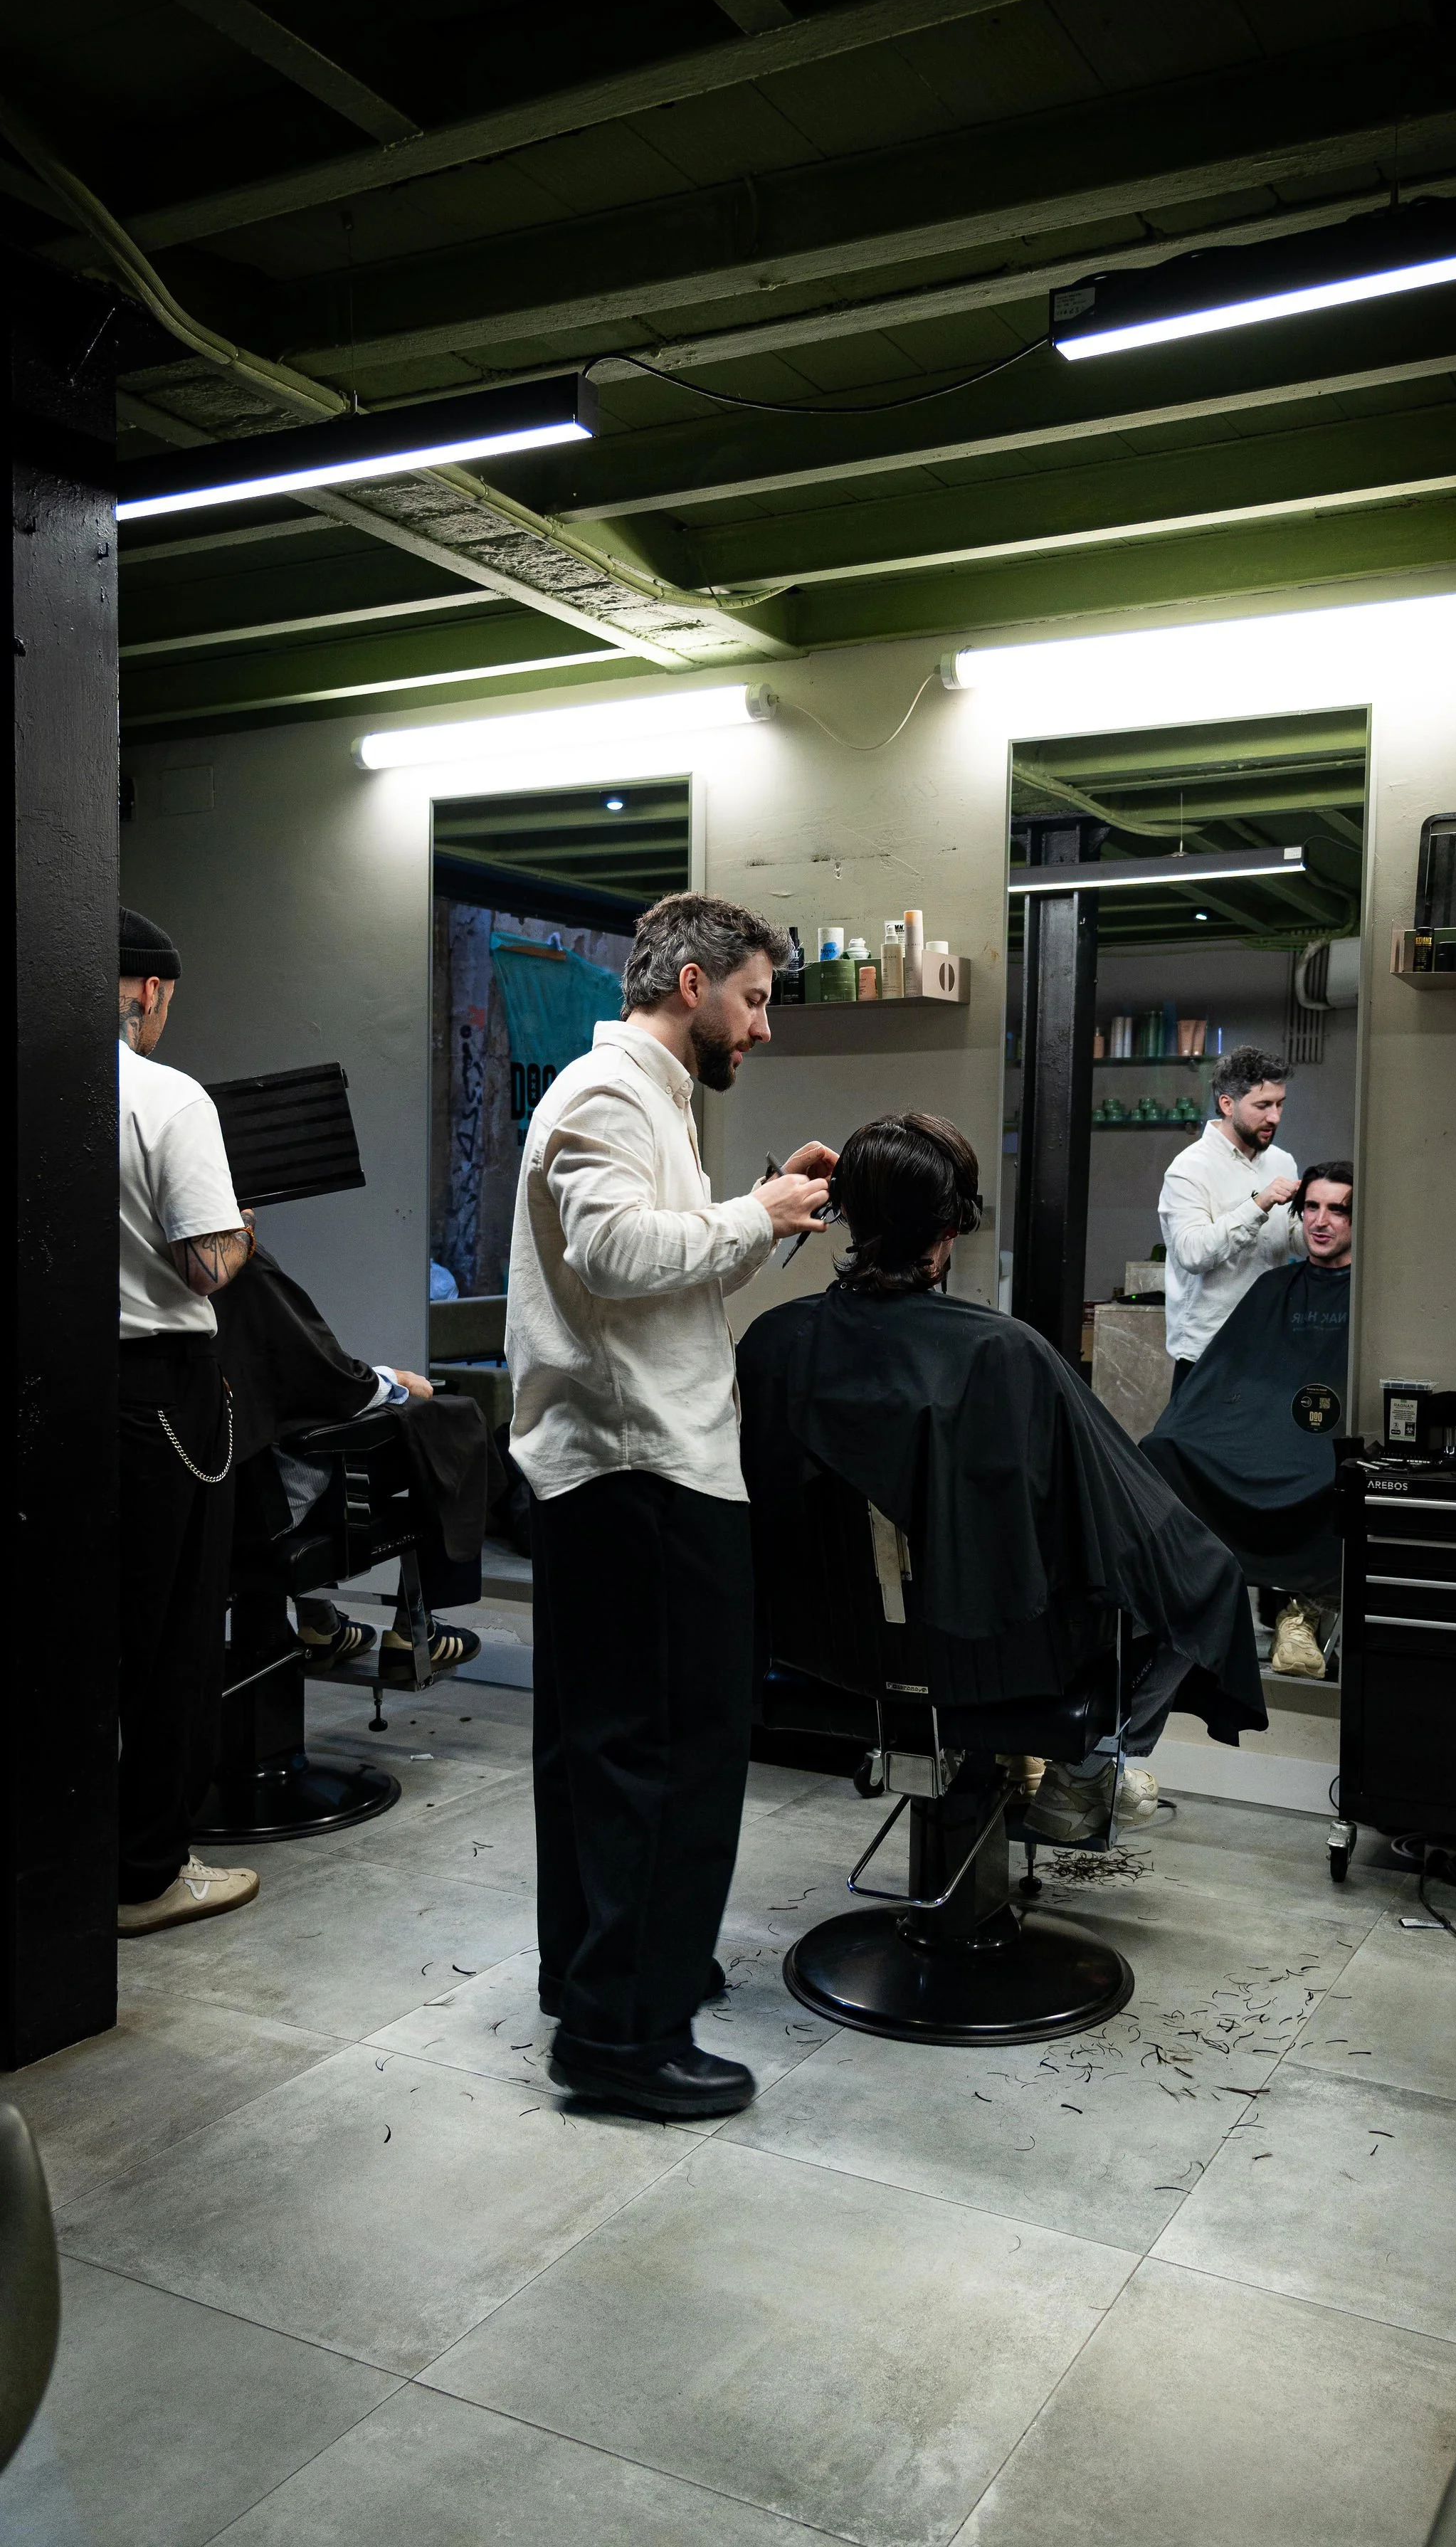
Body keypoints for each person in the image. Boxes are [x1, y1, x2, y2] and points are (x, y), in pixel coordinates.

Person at [507, 891, 836, 2122]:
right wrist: (754, 1213)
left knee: (602, 1749)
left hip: (635, 1460)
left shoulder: (656, 1103)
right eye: (754, 1001)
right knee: (667, 1756)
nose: (762, 1028)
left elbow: (663, 1274)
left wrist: (767, 1211)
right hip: (640, 1467)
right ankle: (623, 2043)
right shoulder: (609, 1094)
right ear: (692, 985)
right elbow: (613, 1257)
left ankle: (601, 1980)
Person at [736, 1114, 1265, 1853]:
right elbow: (1142, 1532)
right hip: (993, 1665)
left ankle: (1004, 1755)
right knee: (1201, 1572)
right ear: (954, 1228)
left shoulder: (773, 1344)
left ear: (839, 1212)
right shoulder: (1004, 1354)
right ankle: (1084, 1778)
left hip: (826, 1657)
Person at [116, 909, 260, 1935]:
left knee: (72, 1633)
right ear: (152, 991)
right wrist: (244, 1233)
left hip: (53, 1383)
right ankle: (148, 1871)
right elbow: (202, 1264)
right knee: (169, 1636)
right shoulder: (165, 1095)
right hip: (155, 1390)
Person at [209, 1239, 488, 1675]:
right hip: (264, 1507)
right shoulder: (238, 1262)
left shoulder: (129, 1268)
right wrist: (393, 1379)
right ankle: (415, 1631)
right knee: (451, 1431)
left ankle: (321, 1625)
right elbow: (329, 1383)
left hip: (201, 1497)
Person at [1141, 1163, 1354, 1680]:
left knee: (1335, 1474)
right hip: (1262, 1430)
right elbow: (1231, 1371)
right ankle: (1193, 1608)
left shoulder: (1373, 1297)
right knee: (1163, 1447)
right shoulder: (1274, 1287)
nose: (1320, 1221)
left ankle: (1304, 1612)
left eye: (1337, 1210)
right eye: (1311, 1208)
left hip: (1322, 1437)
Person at [1158, 1044, 1303, 1385]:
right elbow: (1193, 1254)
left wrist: (1328, 1219)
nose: (1275, 1117)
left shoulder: (1283, 1161)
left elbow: (1295, 1239)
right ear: (1227, 1104)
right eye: (1263, 1106)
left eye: (1280, 1104)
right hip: (1209, 1353)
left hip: (1269, 1343)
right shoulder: (1189, 1169)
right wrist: (1258, 1205)